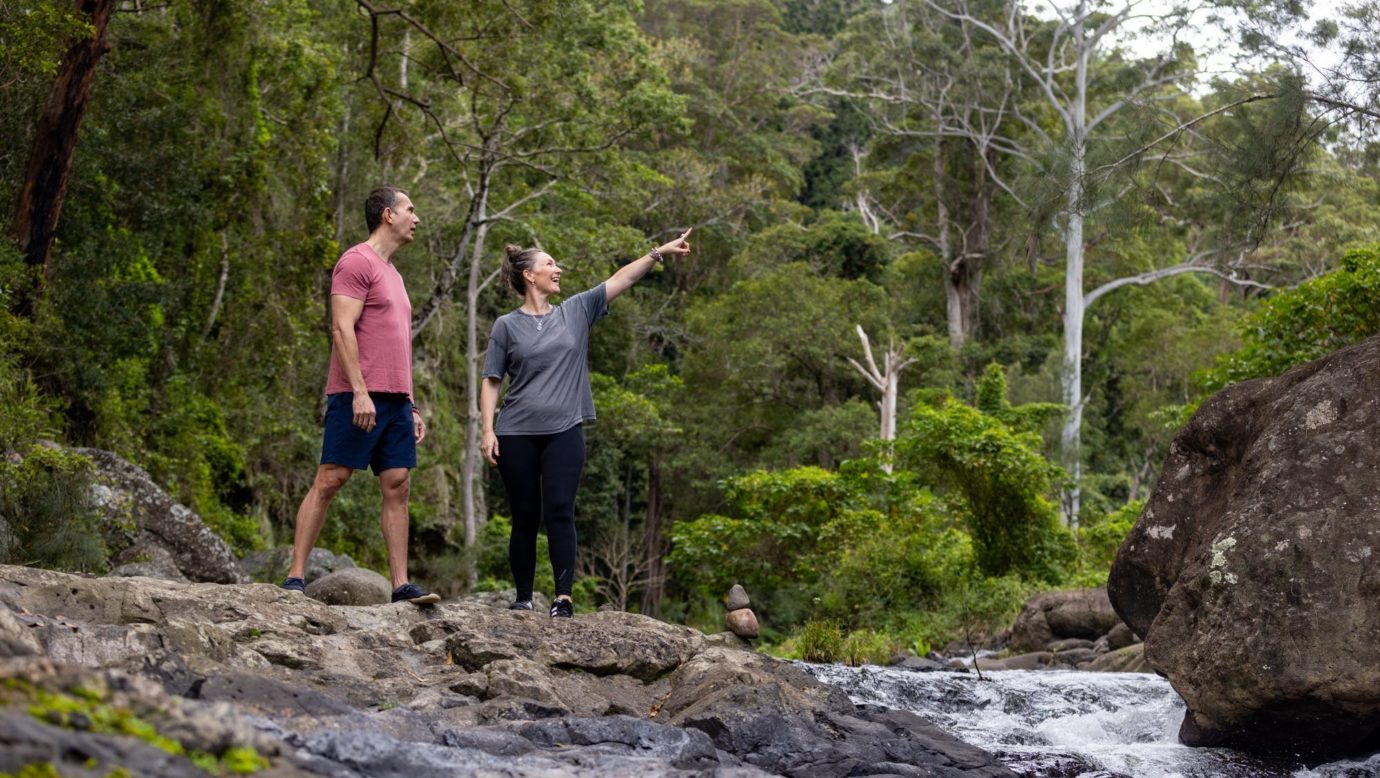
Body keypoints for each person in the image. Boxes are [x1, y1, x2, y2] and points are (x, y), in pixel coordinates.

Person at [481, 230, 692, 617]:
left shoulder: (576, 310)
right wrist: (487, 430)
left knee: (560, 509)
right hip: (516, 433)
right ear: (529, 275)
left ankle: (563, 598)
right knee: (525, 515)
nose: (557, 269)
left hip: (565, 430)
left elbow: (621, 279)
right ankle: (523, 598)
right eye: (549, 264)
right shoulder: (506, 326)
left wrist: (657, 253)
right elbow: (492, 378)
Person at [281, 187, 439, 605]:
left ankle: (401, 585)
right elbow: (340, 328)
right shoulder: (356, 261)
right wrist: (359, 391)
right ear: (388, 215)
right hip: (358, 395)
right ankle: (295, 577)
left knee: (398, 483)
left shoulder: (395, 275)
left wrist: (412, 404)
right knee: (332, 479)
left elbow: (399, 344)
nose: (416, 218)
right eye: (410, 209)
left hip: (396, 400)